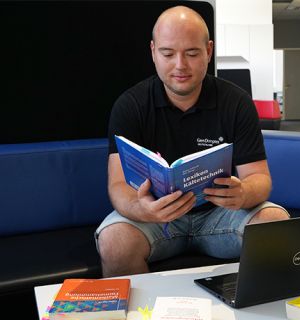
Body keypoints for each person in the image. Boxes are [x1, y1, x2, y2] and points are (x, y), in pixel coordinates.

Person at [95, 5, 289, 277]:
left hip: (220, 215)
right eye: (167, 53)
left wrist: (243, 192)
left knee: (275, 223)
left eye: (192, 53)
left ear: (208, 51)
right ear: (153, 52)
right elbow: (117, 186)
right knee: (114, 242)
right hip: (156, 220)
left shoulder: (237, 102)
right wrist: (143, 208)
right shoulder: (130, 106)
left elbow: (259, 177)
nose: (180, 65)